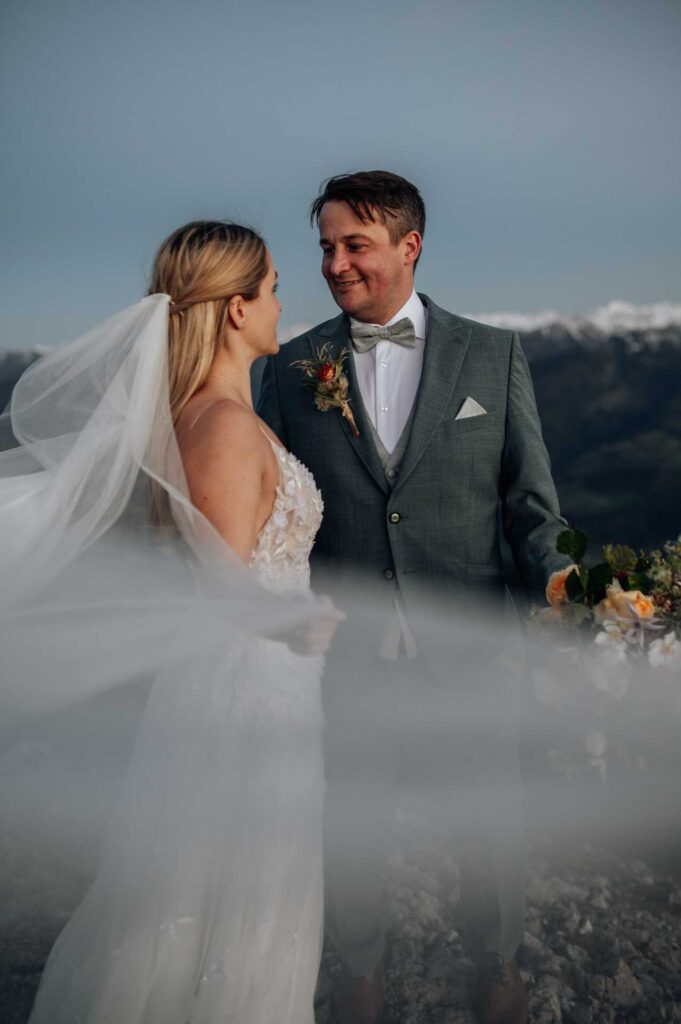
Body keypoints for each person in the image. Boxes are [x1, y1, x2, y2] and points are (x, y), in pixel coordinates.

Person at [0, 221, 339, 1023]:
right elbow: (220, 599)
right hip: (244, 708)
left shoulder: (207, 414)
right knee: (230, 912)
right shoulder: (220, 428)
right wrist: (299, 623)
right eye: (273, 289)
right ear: (233, 310)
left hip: (263, 696)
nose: (280, 305)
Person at [258, 171, 570, 1024]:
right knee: (347, 812)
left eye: (353, 244)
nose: (333, 264)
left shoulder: (493, 354)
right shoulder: (290, 368)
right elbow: (273, 504)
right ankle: (357, 970)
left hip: (471, 637)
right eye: (324, 246)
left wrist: (555, 574)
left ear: (408, 245)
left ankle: (497, 961)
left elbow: (529, 503)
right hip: (342, 639)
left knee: (490, 814)